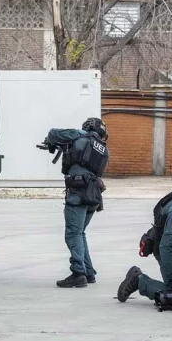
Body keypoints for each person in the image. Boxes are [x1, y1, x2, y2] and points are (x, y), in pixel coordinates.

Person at [42, 117, 109, 288]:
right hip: (94, 195)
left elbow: (53, 133)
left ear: (88, 126)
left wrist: (52, 142)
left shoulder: (79, 135)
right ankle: (88, 272)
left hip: (78, 193)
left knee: (73, 234)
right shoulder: (103, 149)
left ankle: (78, 273)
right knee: (80, 233)